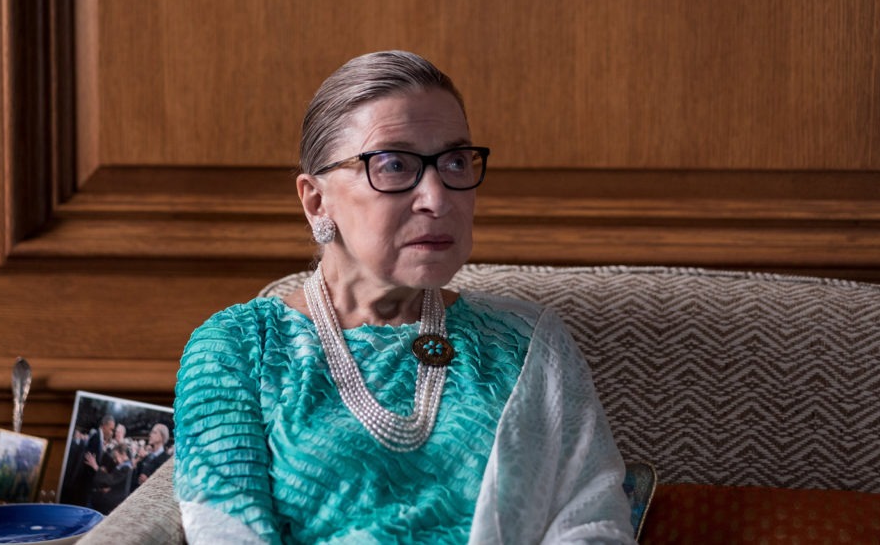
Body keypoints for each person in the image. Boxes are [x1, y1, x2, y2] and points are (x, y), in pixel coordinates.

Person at [173, 51, 635, 543]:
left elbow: (593, 522)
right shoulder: (238, 349)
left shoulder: (523, 342)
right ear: (315, 201)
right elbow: (228, 535)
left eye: (456, 162)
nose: (437, 199)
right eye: (394, 164)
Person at [132, 423, 170, 491]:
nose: (150, 435)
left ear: (162, 437)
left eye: (154, 432)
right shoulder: (146, 457)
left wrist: (149, 483)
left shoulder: (167, 460)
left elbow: (166, 486)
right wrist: (137, 461)